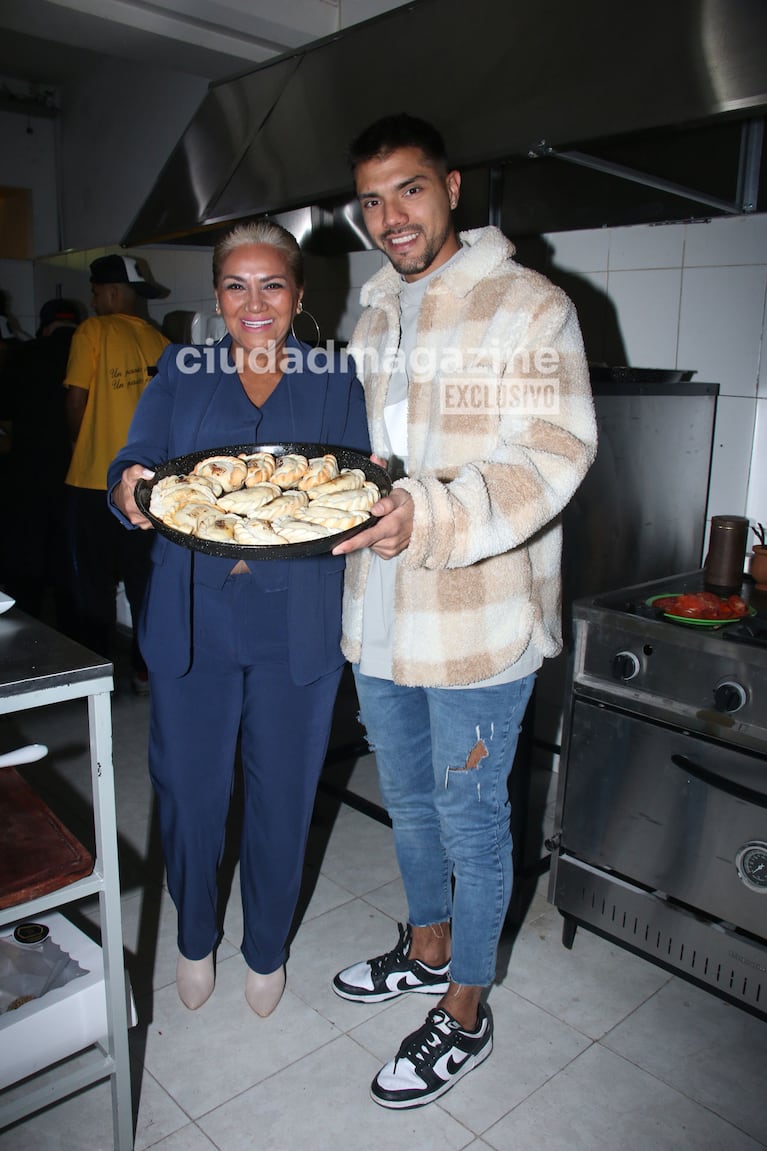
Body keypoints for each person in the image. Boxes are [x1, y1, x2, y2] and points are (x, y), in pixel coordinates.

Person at [330, 114, 598, 1109]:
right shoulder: (372, 315)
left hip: (480, 618)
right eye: (370, 199)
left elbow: (550, 451)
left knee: (473, 818)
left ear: (450, 187)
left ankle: (464, 1010)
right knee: (406, 799)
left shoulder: (528, 307)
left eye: (406, 190)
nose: (388, 216)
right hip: (381, 612)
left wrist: (428, 514)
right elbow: (363, 459)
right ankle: (427, 940)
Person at [108, 221, 369, 1017]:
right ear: (217, 295)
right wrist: (126, 491)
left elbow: (355, 482)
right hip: (193, 619)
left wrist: (378, 499)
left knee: (283, 793)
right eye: (235, 286)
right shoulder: (181, 373)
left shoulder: (333, 378)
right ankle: (194, 935)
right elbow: (133, 464)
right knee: (189, 793)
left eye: (271, 285)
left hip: (298, 622)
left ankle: (265, 947)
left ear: (297, 294)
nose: (253, 304)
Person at [63, 254, 169, 690]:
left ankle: (98, 676)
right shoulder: (163, 342)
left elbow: (75, 399)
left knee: (92, 586)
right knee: (146, 584)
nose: (93, 300)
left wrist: (81, 445)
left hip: (95, 482)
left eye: (94, 292)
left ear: (109, 291)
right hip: (149, 489)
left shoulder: (92, 331)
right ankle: (148, 669)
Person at [0, 298, 82, 624]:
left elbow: (5, 417)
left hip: (26, 473)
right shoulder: (90, 351)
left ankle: (26, 637)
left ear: (44, 325)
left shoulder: (23, 355)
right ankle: (74, 642)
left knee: (25, 566)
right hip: (76, 473)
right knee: (69, 565)